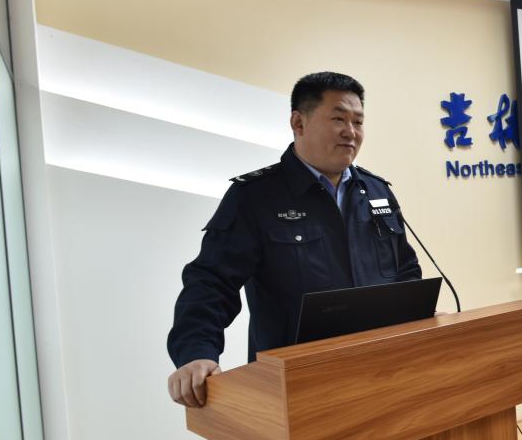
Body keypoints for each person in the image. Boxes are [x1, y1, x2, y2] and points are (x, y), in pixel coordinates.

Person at [166, 71, 421, 407]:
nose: (351, 131)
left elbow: (405, 271)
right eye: (338, 119)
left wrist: (422, 321)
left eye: (358, 121)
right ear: (298, 123)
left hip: (384, 373)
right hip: (298, 387)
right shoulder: (255, 196)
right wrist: (196, 352)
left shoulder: (376, 191)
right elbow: (211, 282)